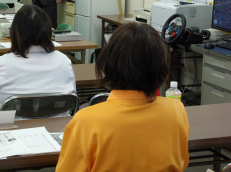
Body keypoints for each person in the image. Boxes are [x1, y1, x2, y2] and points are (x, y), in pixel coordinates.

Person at [56, 22, 190, 172]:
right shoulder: (176, 110)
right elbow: (181, 162)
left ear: (110, 63)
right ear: (160, 65)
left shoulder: (85, 122)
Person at [0, 5, 76, 114]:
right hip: (59, 129)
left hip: (13, 129)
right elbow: (70, 100)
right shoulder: (64, 60)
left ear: (15, 31)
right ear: (48, 30)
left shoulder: (0, 64)